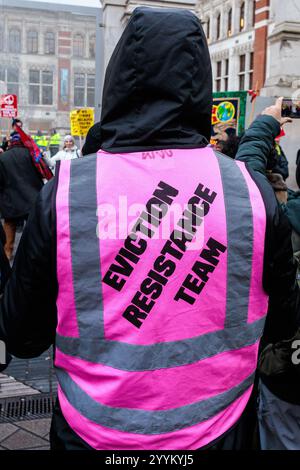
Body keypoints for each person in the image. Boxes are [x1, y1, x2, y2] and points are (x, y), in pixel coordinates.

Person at [0, 8, 297, 450]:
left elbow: (22, 336)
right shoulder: (248, 189)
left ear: (118, 79)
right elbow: (282, 322)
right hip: (221, 430)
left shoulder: (67, 191)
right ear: (200, 83)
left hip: (94, 433)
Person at [0, 132, 44, 260]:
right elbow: (42, 172)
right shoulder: (31, 154)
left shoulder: (3, 157)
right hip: (32, 197)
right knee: (33, 227)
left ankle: (8, 253)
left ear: (10, 143)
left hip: (10, 200)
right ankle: (34, 253)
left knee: (9, 225)